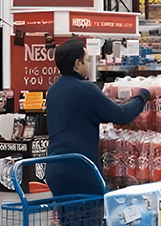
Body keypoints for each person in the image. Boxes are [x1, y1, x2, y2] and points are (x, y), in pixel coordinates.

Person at [45, 38, 150, 197]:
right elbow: (122, 115)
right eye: (86, 59)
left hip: (54, 170)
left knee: (69, 219)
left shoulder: (52, 91)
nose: (89, 64)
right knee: (92, 218)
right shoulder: (85, 90)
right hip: (82, 169)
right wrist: (142, 96)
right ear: (77, 63)